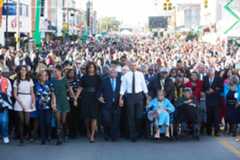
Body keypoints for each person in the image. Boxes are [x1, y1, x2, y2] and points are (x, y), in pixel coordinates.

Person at [119, 60, 149, 142]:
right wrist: (120, 98)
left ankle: (138, 132)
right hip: (129, 96)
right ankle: (133, 135)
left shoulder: (140, 74)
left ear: (137, 66)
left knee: (139, 116)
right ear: (129, 66)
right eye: (132, 65)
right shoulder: (126, 75)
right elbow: (123, 87)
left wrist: (147, 97)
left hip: (139, 96)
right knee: (130, 116)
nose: (133, 67)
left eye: (135, 65)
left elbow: (144, 86)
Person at [97, 65, 121, 141]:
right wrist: (100, 97)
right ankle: (106, 133)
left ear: (117, 73)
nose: (113, 73)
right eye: (112, 72)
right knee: (107, 120)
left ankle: (114, 136)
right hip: (106, 103)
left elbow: (123, 92)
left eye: (115, 72)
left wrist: (122, 99)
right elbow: (98, 92)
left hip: (117, 104)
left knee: (115, 120)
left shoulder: (120, 81)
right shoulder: (104, 80)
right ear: (109, 73)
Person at [79, 62, 101, 143]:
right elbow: (80, 88)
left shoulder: (98, 77)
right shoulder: (84, 77)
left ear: (95, 68)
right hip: (85, 98)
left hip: (94, 98)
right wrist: (75, 97)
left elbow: (100, 88)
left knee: (94, 117)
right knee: (86, 117)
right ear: (87, 68)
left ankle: (92, 135)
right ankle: (88, 130)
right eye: (90, 67)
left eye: (92, 67)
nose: (91, 69)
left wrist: (100, 97)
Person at [13, 65, 35, 145]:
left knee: (27, 121)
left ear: (26, 71)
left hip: (28, 99)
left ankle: (29, 134)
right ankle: (21, 139)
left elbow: (32, 93)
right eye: (22, 70)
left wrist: (33, 102)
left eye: (25, 70)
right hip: (19, 100)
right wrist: (21, 103)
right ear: (19, 71)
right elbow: (15, 94)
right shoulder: (16, 81)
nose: (23, 71)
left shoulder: (30, 80)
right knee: (21, 121)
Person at [35, 70, 55, 144]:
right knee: (41, 122)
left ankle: (49, 135)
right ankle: (43, 138)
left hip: (48, 106)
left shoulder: (49, 83)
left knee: (48, 121)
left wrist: (53, 103)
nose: (44, 76)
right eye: (43, 75)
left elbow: (53, 94)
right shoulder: (36, 84)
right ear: (40, 76)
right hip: (40, 106)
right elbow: (35, 94)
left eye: (46, 75)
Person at [51, 65, 70, 145]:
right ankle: (59, 138)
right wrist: (53, 103)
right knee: (58, 121)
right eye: (54, 72)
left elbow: (69, 89)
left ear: (60, 71)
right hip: (57, 102)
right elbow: (52, 93)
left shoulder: (65, 79)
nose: (55, 73)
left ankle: (65, 133)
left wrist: (74, 98)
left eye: (56, 71)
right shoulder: (52, 80)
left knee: (63, 120)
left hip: (64, 102)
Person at [202, 68, 223, 136]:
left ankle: (217, 131)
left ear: (214, 72)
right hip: (208, 99)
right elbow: (203, 88)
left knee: (216, 116)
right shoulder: (205, 78)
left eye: (211, 72)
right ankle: (209, 130)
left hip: (216, 99)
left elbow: (221, 88)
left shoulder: (218, 78)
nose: (210, 73)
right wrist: (206, 91)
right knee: (209, 115)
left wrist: (213, 90)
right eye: (209, 71)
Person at [66, 68, 81, 138]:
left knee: (76, 116)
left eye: (73, 72)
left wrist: (75, 99)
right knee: (69, 117)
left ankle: (76, 132)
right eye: (70, 72)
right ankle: (70, 132)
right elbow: (68, 90)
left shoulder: (77, 80)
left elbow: (79, 89)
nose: (71, 74)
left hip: (76, 100)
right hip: (68, 101)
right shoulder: (66, 81)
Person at [0, 67, 12, 144]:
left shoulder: (6, 80)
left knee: (4, 121)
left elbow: (9, 92)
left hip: (3, 103)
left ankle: (5, 135)